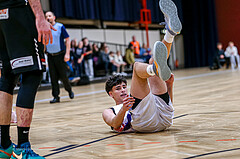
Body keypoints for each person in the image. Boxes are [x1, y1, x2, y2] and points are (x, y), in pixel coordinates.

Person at [102, 0, 182, 133]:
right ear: (110, 94)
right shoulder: (108, 111)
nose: (123, 90)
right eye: (118, 89)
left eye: (123, 87)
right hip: (145, 124)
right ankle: (154, 69)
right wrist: (123, 109)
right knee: (137, 66)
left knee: (152, 61)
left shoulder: (138, 97)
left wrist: (169, 86)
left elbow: (168, 106)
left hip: (166, 118)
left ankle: (170, 33)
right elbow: (115, 124)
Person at [0, 0, 54, 158]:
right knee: (32, 73)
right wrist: (39, 16)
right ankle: (23, 147)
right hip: (19, 10)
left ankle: (3, 145)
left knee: (7, 77)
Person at [45, 11, 74, 104]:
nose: (48, 18)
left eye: (49, 16)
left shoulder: (60, 26)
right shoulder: (44, 28)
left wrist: (67, 54)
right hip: (50, 56)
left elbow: (68, 39)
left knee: (63, 76)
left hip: (60, 55)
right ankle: (56, 96)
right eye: (46, 16)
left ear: (54, 17)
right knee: (53, 77)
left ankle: (69, 90)